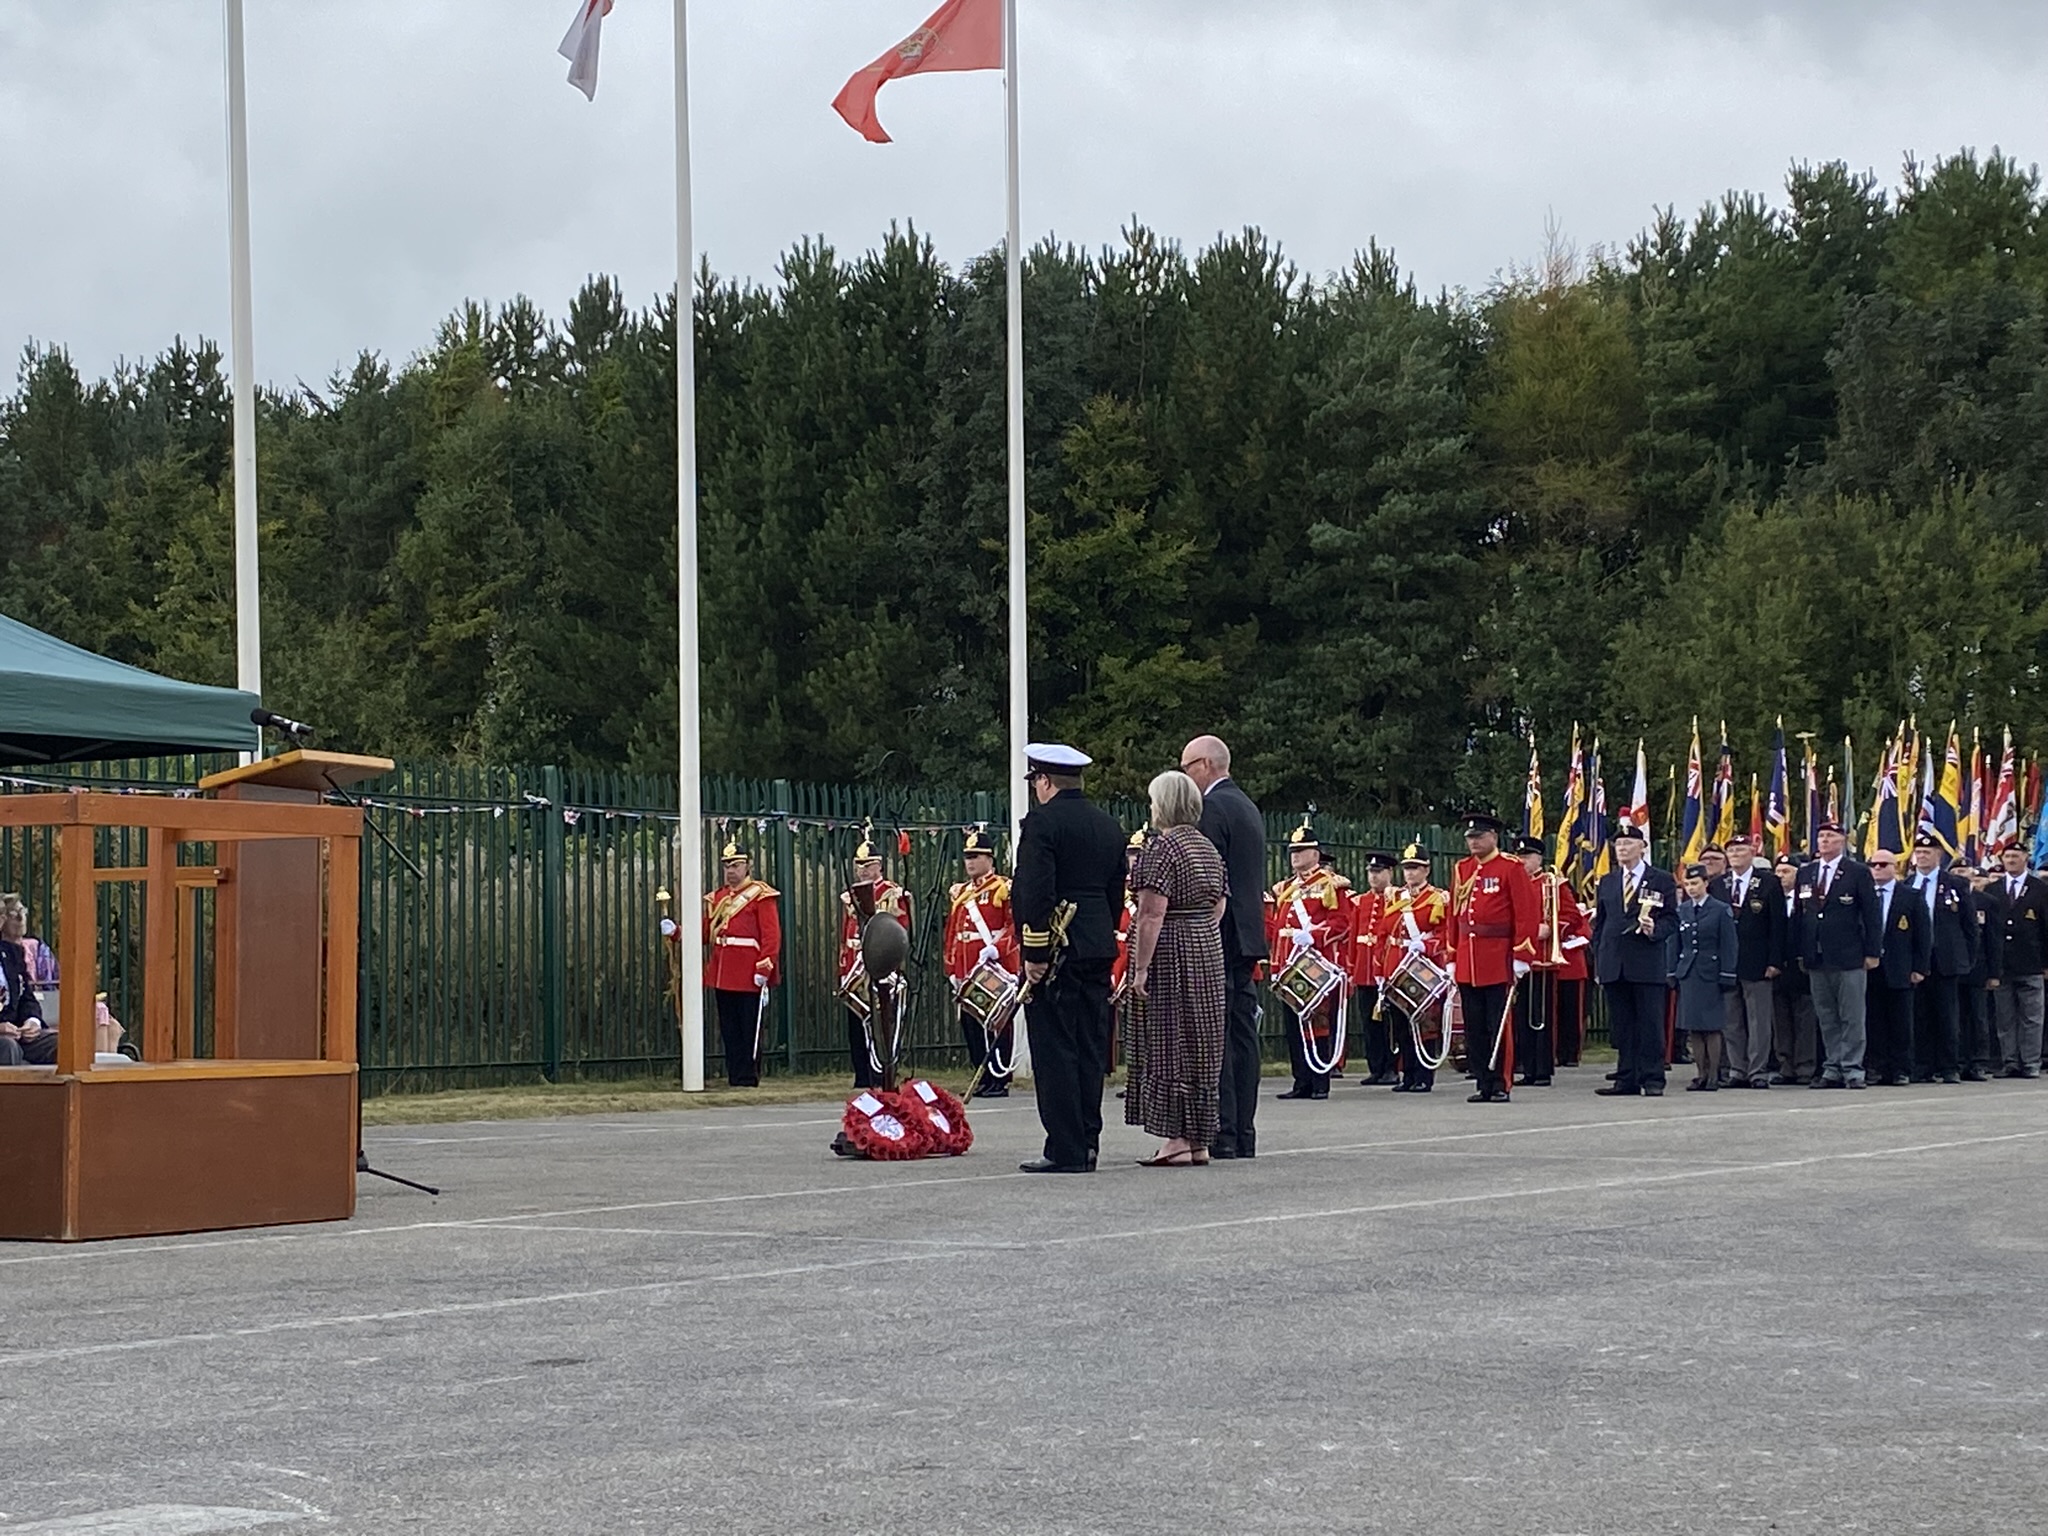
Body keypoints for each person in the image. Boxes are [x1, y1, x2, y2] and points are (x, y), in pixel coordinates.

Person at [1013, 743, 1128, 1175]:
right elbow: (1115, 891)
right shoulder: (1107, 825)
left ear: (1044, 781)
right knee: (1089, 1046)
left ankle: (1065, 1147)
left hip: (1058, 947)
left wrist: (1035, 952)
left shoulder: (1042, 823)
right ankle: (1088, 1140)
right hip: (1096, 945)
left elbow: (1035, 890)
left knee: (1056, 1050)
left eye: (1036, 781)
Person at [1124, 771, 1229, 1167]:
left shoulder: (1162, 848)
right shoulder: (1207, 847)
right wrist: (1199, 931)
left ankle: (1176, 1138)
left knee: (1170, 1039)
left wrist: (1140, 968)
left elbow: (1151, 913)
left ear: (1164, 805)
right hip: (1207, 948)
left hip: (1171, 952)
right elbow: (1219, 904)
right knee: (1202, 1040)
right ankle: (1198, 1139)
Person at [1182, 735, 1268, 1160]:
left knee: (1219, 1036)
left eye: (1186, 768)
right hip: (1246, 932)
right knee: (1241, 1034)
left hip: (1222, 933)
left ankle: (1225, 1130)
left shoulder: (1212, 807)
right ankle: (1243, 1131)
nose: (1185, 778)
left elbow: (1207, 877)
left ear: (1204, 765)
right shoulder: (1246, 805)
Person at [1445, 812, 1540, 1104]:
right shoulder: (1462, 868)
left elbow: (1526, 912)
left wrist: (1522, 953)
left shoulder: (1510, 867)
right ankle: (1482, 1081)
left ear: (1493, 837)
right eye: (1470, 838)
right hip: (1468, 957)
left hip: (1497, 955)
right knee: (1474, 1026)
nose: (1474, 842)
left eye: (1479, 837)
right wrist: (1451, 955)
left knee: (1497, 1024)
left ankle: (1500, 1082)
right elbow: (1454, 916)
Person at [1794, 819, 1883, 1090]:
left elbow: (1871, 914)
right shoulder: (1807, 873)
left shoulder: (1857, 872)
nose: (1825, 841)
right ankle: (1832, 1066)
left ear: (1842, 841)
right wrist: (1800, 951)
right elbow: (1800, 915)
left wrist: (1872, 951)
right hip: (1817, 955)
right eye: (1821, 836)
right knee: (1827, 1015)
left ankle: (1853, 1068)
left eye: (1831, 836)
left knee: (1851, 1016)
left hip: (1848, 955)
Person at [1267, 821, 1352, 1101]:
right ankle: (1301, 1081)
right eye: (1293, 851)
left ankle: (1320, 1082)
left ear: (1315, 854)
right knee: (1293, 1025)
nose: (1295, 856)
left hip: (1314, 965)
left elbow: (1342, 924)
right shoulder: (1285, 888)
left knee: (1317, 1022)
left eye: (1301, 851)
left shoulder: (1330, 885)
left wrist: (1314, 936)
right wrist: (1277, 964)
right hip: (1289, 965)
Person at [1593, 823, 1680, 1098]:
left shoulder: (1660, 879)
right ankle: (1626, 1078)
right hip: (1614, 962)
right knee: (1622, 1025)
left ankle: (1652, 1078)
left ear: (1642, 847)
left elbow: (1671, 919)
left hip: (1645, 961)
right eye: (1618, 844)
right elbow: (1601, 923)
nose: (1622, 848)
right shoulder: (1608, 881)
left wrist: (1655, 929)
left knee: (1650, 1023)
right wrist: (1599, 957)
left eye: (1628, 843)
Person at [944, 829, 1017, 1099]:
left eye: (976, 856)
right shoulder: (962, 892)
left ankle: (998, 1078)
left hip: (992, 965)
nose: (970, 862)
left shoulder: (1001, 889)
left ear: (989, 858)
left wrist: (998, 949)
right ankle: (981, 1076)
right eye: (967, 857)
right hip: (967, 966)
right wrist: (952, 967)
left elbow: (1014, 925)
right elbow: (953, 932)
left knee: (995, 1021)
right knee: (971, 1023)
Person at [841, 826, 915, 1090]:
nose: (863, 870)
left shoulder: (893, 893)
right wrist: (844, 966)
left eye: (868, 864)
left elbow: (900, 931)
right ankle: (861, 1073)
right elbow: (845, 934)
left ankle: (879, 1073)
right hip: (856, 965)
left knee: (879, 1023)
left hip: (881, 965)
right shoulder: (850, 895)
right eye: (859, 865)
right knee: (856, 1020)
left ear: (880, 865)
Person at [703, 840, 781, 1088]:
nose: (731, 871)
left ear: (747, 866)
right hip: (723, 970)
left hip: (748, 971)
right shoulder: (718, 897)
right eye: (727, 866)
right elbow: (706, 931)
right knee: (729, 1029)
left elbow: (771, 935)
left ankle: (748, 1076)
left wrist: (764, 967)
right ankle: (734, 1075)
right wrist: (678, 932)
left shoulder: (760, 894)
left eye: (735, 865)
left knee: (749, 1028)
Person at [1712, 833, 1787, 1089]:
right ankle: (1737, 1069)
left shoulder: (1768, 883)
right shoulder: (1718, 884)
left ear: (1752, 853)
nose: (1735, 854)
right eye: (1731, 851)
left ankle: (1757, 1070)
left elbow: (1778, 925)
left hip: (1758, 961)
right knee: (1731, 1020)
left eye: (1741, 850)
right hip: (1726, 963)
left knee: (1759, 1020)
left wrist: (1775, 960)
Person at [1511, 835, 1584, 1087]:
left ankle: (1542, 1069)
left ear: (1539, 859)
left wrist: (1551, 929)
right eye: (1519, 857)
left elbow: (1572, 916)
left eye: (1527, 856)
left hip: (1542, 957)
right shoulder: (1514, 883)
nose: (1522, 861)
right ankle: (1526, 1067)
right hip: (1518, 957)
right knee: (1522, 1016)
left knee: (1541, 1016)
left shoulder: (1553, 883)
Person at [1907, 832, 1977, 1084]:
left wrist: (1968, 958)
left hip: (1945, 958)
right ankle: (1923, 1066)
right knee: (1919, 1014)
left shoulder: (1955, 884)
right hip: (1916, 959)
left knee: (1947, 1015)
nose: (1922, 856)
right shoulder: (1908, 884)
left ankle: (1949, 1066)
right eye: (1919, 852)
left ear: (1938, 855)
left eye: (1927, 852)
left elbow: (1969, 925)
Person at [1381, 843, 1450, 1093]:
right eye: (1407, 868)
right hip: (1397, 964)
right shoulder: (1396, 897)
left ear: (1426, 870)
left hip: (1422, 966)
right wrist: (1381, 970)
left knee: (1424, 1022)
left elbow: (1445, 934)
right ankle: (1407, 1074)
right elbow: (1384, 933)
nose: (1410, 873)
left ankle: (1423, 1076)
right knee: (1400, 1023)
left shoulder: (1436, 898)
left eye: (1415, 868)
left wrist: (1427, 946)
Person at [1863, 848, 1930, 1086]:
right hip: (1870, 967)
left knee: (1901, 1022)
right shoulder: (1865, 894)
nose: (1877, 869)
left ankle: (1901, 1069)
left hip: (1900, 967)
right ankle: (1877, 1067)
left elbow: (1923, 934)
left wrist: (1920, 967)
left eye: (1883, 865)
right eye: (1873, 865)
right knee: (1874, 1020)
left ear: (1895, 867)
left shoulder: (1910, 896)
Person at [1671, 863, 1738, 1090]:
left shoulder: (1720, 909)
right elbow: (1674, 943)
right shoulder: (1682, 910)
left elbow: (1729, 944)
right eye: (1687, 884)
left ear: (1706, 883)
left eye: (1695, 883)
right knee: (1694, 1026)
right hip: (1689, 973)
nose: (1691, 888)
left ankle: (1714, 1075)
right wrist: (1672, 971)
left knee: (1711, 1026)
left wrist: (1727, 973)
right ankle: (1700, 1073)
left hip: (1711, 973)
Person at [1987, 844, 2048, 1078]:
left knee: (2032, 1017)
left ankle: (2031, 1062)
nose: (2011, 860)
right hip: (2002, 964)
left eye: (2016, 856)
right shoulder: (1993, 889)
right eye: (2007, 856)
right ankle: (2009, 1061)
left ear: (2025, 858)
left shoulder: (2040, 889)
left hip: (2031, 962)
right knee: (2005, 1017)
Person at [1346, 851, 1401, 1086]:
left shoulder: (1397, 898)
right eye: (1371, 872)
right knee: (1369, 1022)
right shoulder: (1361, 902)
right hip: (1364, 969)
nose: (1374, 877)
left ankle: (1391, 1067)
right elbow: (1353, 936)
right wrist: (1351, 967)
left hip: (1386, 968)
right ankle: (1375, 1067)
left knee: (1389, 1023)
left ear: (1389, 873)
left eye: (1378, 872)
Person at [1769, 854, 1819, 1084]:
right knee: (1781, 1019)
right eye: (1778, 872)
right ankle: (1786, 1065)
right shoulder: (1772, 899)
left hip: (1801, 966)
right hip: (1779, 967)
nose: (1781, 876)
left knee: (1804, 1018)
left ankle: (1805, 1066)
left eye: (1786, 871)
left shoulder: (1807, 899)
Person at [1959, 863, 2003, 1081]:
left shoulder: (1986, 901)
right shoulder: (1946, 899)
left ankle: (1978, 1061)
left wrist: (1994, 972)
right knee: (1955, 1018)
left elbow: (1993, 939)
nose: (1959, 876)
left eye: (1963, 872)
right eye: (1955, 872)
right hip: (1952, 968)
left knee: (1979, 1018)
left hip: (1979, 967)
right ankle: (1958, 1061)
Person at [0, 897, 52, 1067]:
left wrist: (32, 1021)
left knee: (63, 1044)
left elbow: (27, 998)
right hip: (5, 1039)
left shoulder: (12, 953)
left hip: (17, 1031)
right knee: (8, 1047)